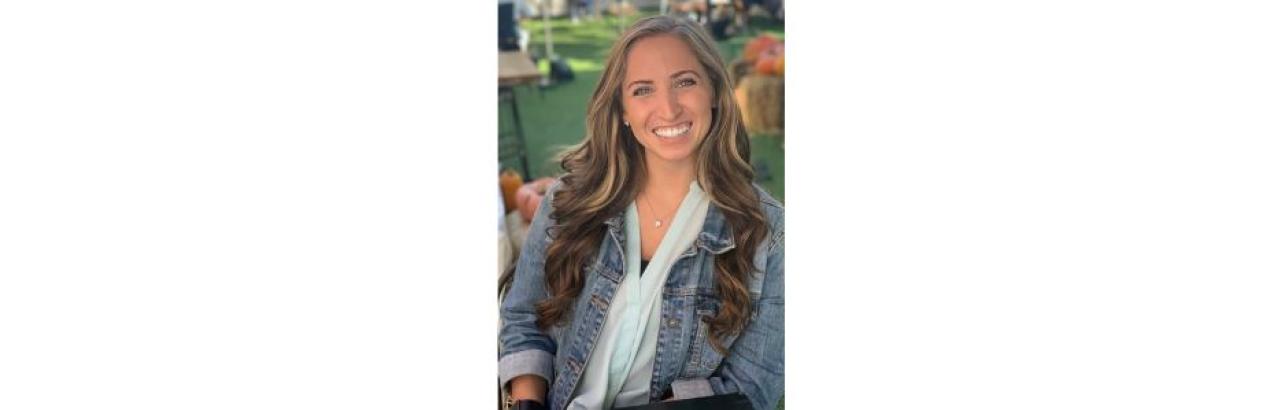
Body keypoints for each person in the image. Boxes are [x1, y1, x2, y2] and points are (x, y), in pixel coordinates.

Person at [499, 15, 784, 410]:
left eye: (685, 82)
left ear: (716, 92)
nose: (667, 109)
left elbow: (754, 385)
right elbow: (524, 318)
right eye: (643, 90)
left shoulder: (771, 234)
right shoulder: (568, 201)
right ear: (622, 110)